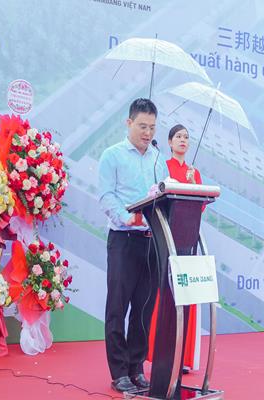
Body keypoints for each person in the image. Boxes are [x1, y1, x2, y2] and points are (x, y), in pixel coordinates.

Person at [98, 98, 168, 393]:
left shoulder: (158, 159)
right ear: (129, 123)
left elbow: (165, 194)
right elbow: (106, 196)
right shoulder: (112, 155)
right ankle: (118, 371)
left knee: (144, 307)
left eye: (152, 127)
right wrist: (126, 218)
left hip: (151, 242)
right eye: (142, 126)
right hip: (124, 239)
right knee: (118, 306)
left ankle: (136, 367)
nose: (147, 133)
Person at [147, 124, 202, 372]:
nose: (183, 140)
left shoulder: (194, 172)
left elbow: (200, 206)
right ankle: (159, 354)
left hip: (187, 239)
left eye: (186, 137)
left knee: (185, 295)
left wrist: (193, 185)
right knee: (164, 295)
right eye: (178, 136)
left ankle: (182, 358)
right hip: (166, 238)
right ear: (169, 142)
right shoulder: (163, 167)